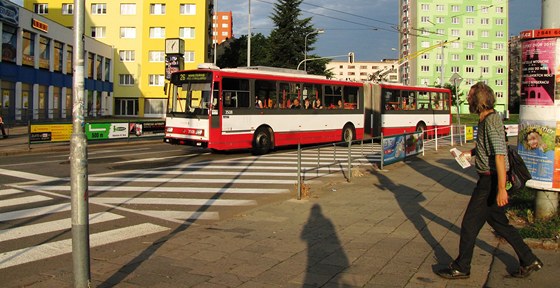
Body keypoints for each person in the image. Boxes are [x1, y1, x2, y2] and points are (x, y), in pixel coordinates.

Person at [436, 82, 542, 280]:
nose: (467, 99)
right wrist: (471, 153)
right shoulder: (487, 119)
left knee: (469, 224)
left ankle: (462, 267)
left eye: (470, 96)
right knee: (499, 223)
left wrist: (501, 188)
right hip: (490, 179)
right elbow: (491, 148)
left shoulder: (491, 121)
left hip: (491, 182)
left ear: (478, 100)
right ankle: (529, 260)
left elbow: (500, 154)